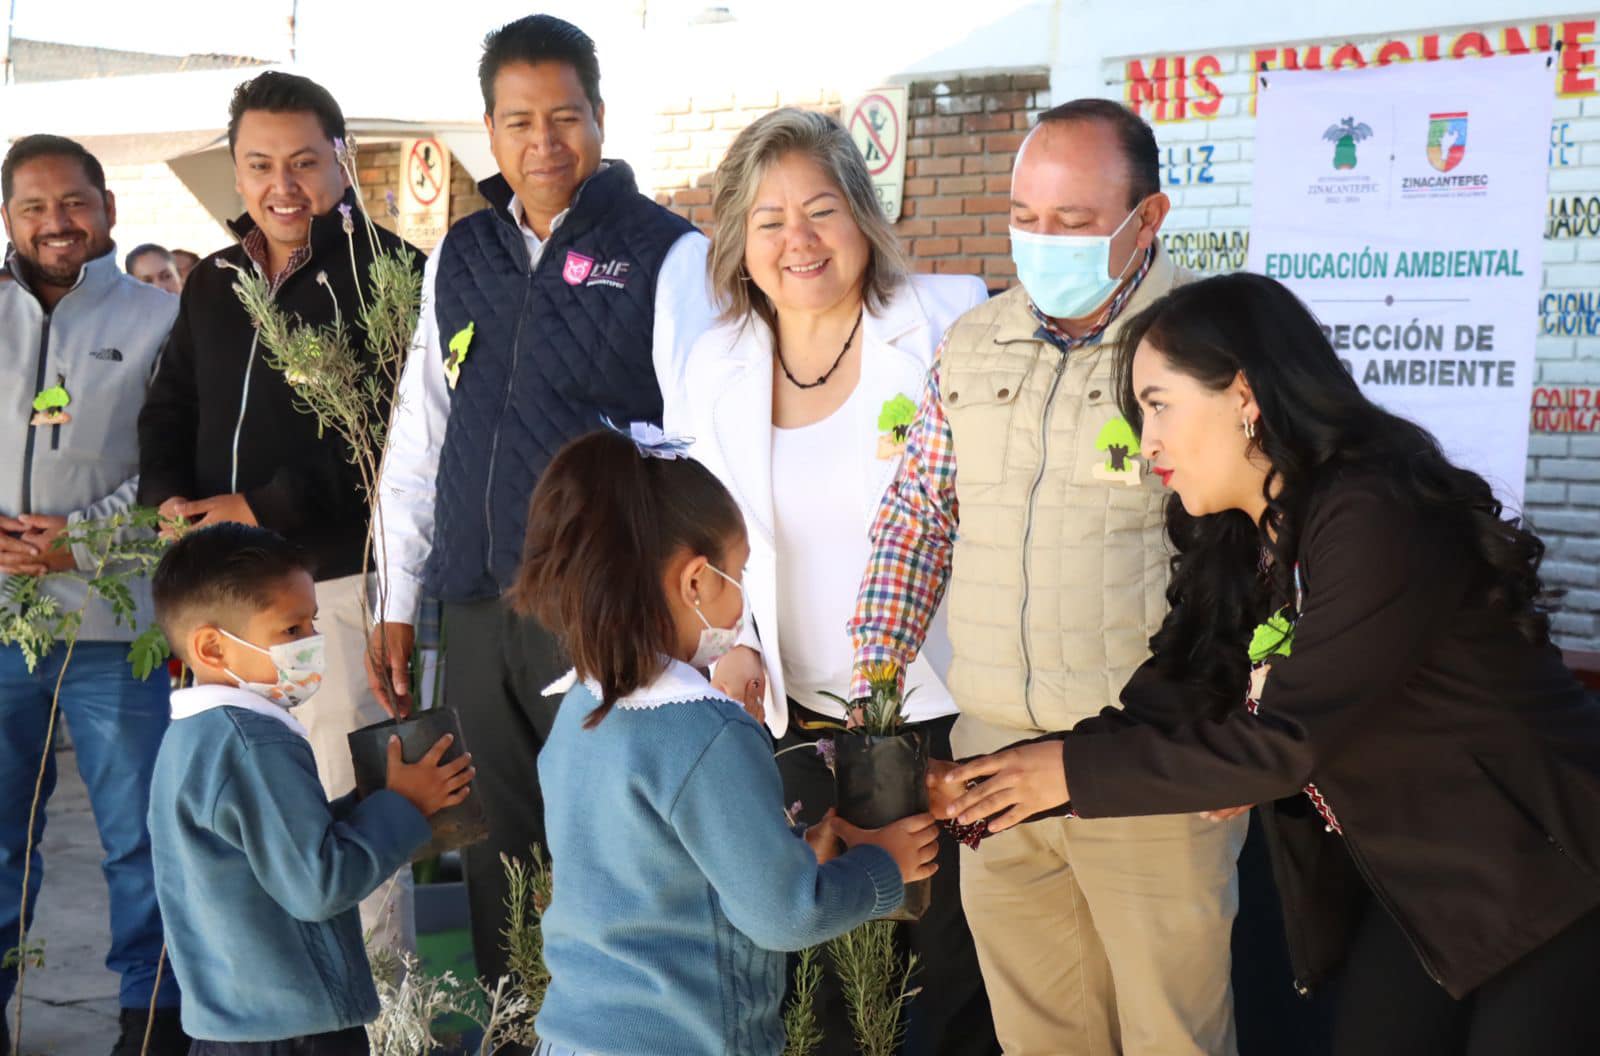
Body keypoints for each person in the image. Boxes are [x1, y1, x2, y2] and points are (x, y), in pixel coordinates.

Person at [939, 271, 1600, 1055]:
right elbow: (1179, 697)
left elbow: (1287, 739)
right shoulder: (1248, 535)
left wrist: (1071, 777)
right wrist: (1012, 776)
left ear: (1244, 395)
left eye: (1158, 405)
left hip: (1556, 876)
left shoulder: (1372, 512)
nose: (1145, 440)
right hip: (1430, 888)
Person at [849, 98, 1248, 1056]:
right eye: (1024, 217)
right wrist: (877, 678)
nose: (1041, 242)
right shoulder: (975, 341)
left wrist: (1249, 715)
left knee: (1171, 1038)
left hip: (1149, 764)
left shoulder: (1209, 347)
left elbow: (1273, 541)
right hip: (992, 764)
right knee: (1040, 1038)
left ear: (1146, 219)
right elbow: (920, 512)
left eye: (1073, 224)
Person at [367, 13, 715, 986]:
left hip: (596, 607)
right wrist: (397, 597)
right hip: (474, 604)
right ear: (490, 129)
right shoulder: (462, 255)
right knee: (496, 852)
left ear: (599, 120)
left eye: (564, 117)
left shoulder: (665, 253)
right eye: (518, 121)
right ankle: (517, 1028)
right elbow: (419, 431)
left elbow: (697, 445)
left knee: (607, 841)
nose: (542, 142)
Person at [676, 107, 997, 1055]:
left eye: (820, 210)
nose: (798, 241)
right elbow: (700, 542)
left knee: (946, 989)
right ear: (739, 242)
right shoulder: (712, 362)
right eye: (769, 221)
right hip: (787, 727)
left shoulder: (946, 320)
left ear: (864, 215)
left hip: (936, 711)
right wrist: (729, 647)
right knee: (820, 997)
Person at [517, 427, 937, 1056]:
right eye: (736, 573)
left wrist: (789, 853)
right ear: (694, 581)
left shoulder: (582, 708)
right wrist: (884, 867)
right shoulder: (705, 728)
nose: (741, 599)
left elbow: (663, 869)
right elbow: (784, 915)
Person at [136, 71, 424, 957]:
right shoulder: (215, 280)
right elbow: (170, 404)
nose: (282, 185)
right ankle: (282, 1016)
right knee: (246, 812)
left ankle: (387, 1022)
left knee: (343, 800)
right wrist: (168, 500)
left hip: (329, 593)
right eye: (259, 164)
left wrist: (257, 505)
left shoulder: (392, 277)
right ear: (235, 167)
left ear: (342, 159)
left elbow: (397, 443)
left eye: (305, 161)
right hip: (222, 611)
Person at [146, 523, 473, 1056]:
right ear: (212, 646)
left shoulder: (193, 736)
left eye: (312, 623)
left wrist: (369, 802)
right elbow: (317, 885)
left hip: (236, 1025)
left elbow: (275, 851)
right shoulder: (254, 743)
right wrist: (404, 807)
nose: (312, 643)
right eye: (291, 629)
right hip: (293, 1031)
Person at [0, 134, 185, 1056]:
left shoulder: (158, 318)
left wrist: (83, 541)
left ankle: (147, 1025)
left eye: (72, 202)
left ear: (107, 208)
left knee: (139, 842)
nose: (55, 222)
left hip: (116, 629)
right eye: (33, 206)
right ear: (7, 217)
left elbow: (168, 473)